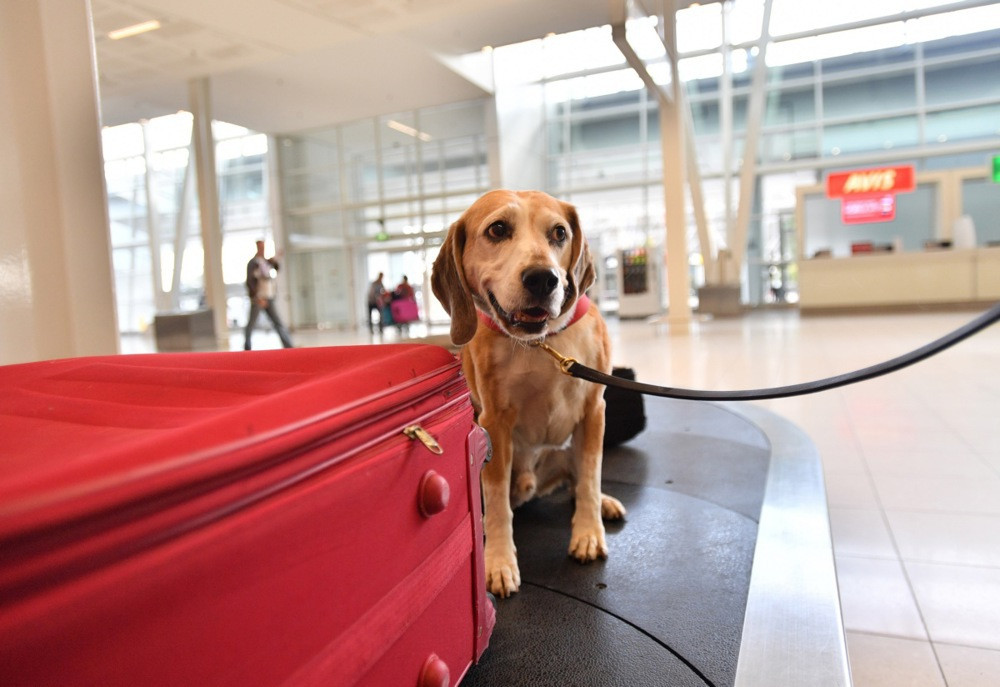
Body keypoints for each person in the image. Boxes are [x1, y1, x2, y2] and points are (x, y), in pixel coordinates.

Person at [244, 240, 294, 350]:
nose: (262, 249)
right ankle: (247, 348)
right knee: (251, 324)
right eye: (260, 247)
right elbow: (249, 282)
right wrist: (257, 297)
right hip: (259, 298)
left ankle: (289, 347)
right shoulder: (253, 263)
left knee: (278, 323)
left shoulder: (265, 262)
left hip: (269, 297)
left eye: (263, 247)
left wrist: (277, 257)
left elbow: (275, 266)